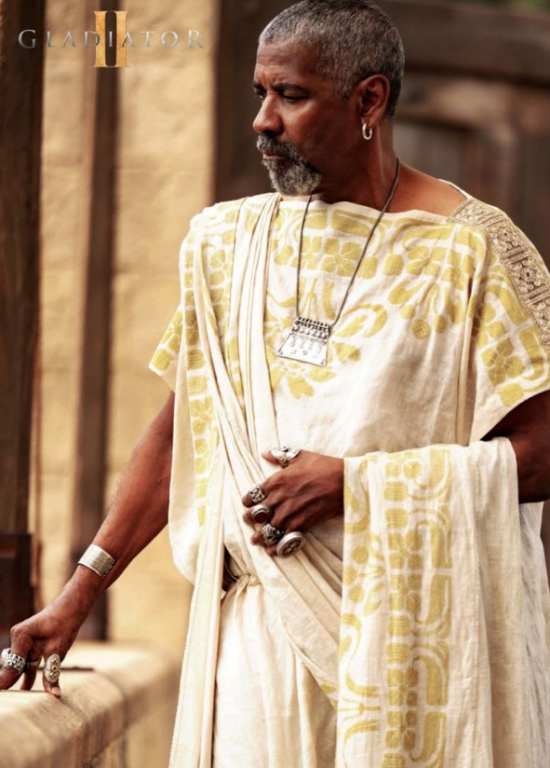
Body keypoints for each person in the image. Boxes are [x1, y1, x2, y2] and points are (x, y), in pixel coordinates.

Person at [2, 1, 550, 765]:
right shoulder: (228, 246)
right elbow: (183, 432)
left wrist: (354, 486)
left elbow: (541, 452)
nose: (263, 120)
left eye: (290, 95)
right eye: (260, 93)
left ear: (369, 101)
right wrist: (76, 596)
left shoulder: (475, 250)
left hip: (415, 643)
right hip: (258, 645)